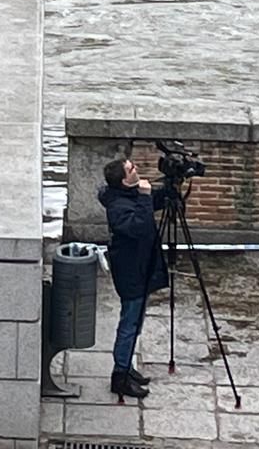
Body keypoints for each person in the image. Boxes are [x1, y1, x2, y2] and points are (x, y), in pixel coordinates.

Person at [99, 154, 169, 398]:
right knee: (129, 324)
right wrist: (146, 197)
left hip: (141, 267)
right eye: (131, 170)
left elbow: (149, 206)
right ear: (124, 181)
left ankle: (127, 366)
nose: (136, 169)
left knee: (135, 321)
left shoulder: (127, 195)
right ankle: (119, 376)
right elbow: (138, 225)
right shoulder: (117, 208)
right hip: (131, 273)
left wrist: (171, 186)